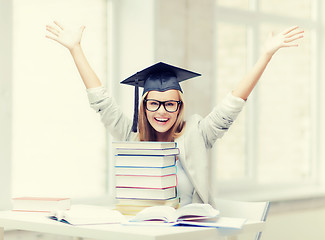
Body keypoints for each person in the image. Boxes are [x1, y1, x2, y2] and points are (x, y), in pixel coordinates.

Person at [46, 21, 304, 207]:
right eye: (154, 104)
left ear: (180, 107)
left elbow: (233, 103)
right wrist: (75, 49)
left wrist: (266, 55)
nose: (161, 111)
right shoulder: (131, 136)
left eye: (170, 104)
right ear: (144, 107)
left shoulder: (197, 133)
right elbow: (101, 101)